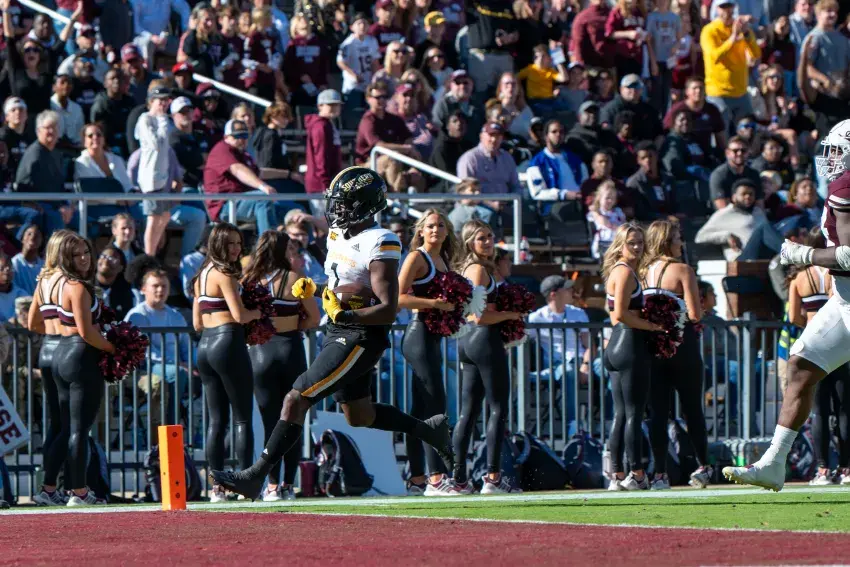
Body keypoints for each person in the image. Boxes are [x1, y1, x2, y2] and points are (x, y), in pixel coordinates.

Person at [210, 167, 455, 500]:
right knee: (359, 415)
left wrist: (344, 313)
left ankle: (256, 476)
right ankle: (429, 430)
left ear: (364, 204)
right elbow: (342, 285)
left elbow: (387, 307)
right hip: (339, 329)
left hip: (359, 335)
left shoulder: (381, 239)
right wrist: (317, 288)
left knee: (296, 398)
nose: (337, 209)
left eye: (345, 202)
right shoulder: (339, 232)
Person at [724, 119, 850, 491]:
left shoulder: (845, 186)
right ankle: (774, 463)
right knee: (800, 365)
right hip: (843, 300)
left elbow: (849, 256)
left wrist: (803, 254)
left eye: (837, 150)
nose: (830, 158)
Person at [243, 230, 320, 502]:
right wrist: (293, 325)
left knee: (269, 422)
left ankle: (272, 485)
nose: (293, 253)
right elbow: (314, 318)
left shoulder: (250, 280)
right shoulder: (296, 279)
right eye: (289, 248)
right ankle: (288, 484)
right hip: (290, 349)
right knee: (293, 419)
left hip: (260, 352)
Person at [449, 219, 523, 494]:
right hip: (483, 339)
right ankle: (493, 477)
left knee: (468, 411)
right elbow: (478, 316)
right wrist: (512, 314)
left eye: (490, 237)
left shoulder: (468, 268)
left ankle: (459, 479)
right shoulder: (478, 270)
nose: (489, 242)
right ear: (470, 242)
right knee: (497, 408)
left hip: (468, 341)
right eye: (482, 238)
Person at [192, 223, 260, 503]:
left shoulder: (200, 275)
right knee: (242, 417)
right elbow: (240, 315)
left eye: (239, 243)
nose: (236, 248)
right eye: (230, 243)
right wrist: (259, 313)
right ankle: (244, 484)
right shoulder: (225, 274)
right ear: (217, 244)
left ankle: (216, 488)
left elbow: (196, 323)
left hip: (205, 345)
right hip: (227, 341)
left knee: (216, 420)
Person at [641, 220, 711, 490]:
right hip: (683, 345)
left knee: (658, 412)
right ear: (667, 241)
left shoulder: (642, 272)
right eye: (678, 238)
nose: (681, 243)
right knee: (692, 409)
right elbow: (694, 314)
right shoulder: (683, 270)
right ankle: (703, 467)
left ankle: (660, 474)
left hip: (654, 348)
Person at [49, 233, 115, 506]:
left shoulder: (59, 283)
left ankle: (58, 488)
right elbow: (87, 332)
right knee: (79, 429)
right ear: (66, 258)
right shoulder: (77, 287)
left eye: (86, 252)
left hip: (62, 353)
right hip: (80, 355)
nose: (85, 258)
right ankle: (78, 491)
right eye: (77, 255)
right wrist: (114, 348)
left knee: (69, 428)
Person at [398, 210, 460, 496]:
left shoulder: (443, 260)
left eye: (440, 225)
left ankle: (417, 478)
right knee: (436, 405)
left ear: (447, 231)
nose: (436, 229)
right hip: (418, 334)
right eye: (430, 226)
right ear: (421, 231)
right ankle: (436, 478)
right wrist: (434, 304)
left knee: (420, 411)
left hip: (432, 337)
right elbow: (398, 297)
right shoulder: (416, 257)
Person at [782, 230, 849, 485]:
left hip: (815, 348)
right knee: (844, 408)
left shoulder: (800, 278)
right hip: (839, 343)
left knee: (819, 410)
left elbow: (793, 317)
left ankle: (822, 470)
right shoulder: (833, 272)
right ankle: (846, 468)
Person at [604, 223, 661, 491]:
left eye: (640, 242)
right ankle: (636, 473)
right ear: (620, 245)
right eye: (631, 243)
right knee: (633, 414)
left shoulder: (617, 271)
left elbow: (613, 314)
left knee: (621, 413)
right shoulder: (625, 272)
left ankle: (617, 474)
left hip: (616, 344)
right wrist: (652, 326)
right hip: (629, 344)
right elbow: (620, 314)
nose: (637, 247)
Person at [27, 229, 73, 506]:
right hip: (65, 349)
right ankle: (50, 486)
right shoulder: (68, 281)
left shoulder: (43, 280)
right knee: (69, 425)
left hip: (46, 351)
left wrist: (51, 330)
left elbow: (32, 322)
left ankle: (48, 486)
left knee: (56, 424)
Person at [125, 269, 193, 432]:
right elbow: (145, 352)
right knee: (177, 373)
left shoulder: (176, 316)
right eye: (155, 286)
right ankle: (171, 428)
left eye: (164, 286)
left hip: (177, 366)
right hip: (147, 367)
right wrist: (178, 364)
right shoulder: (137, 315)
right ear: (143, 289)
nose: (160, 290)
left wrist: (194, 363)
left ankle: (201, 433)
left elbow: (187, 346)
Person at [203, 119, 290, 236]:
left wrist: (289, 174)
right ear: (226, 137)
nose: (242, 140)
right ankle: (267, 245)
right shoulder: (222, 149)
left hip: (245, 200)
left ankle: (304, 246)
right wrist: (263, 186)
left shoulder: (243, 154)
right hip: (226, 205)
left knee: (295, 210)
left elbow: (258, 173)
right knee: (263, 199)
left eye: (245, 136)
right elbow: (237, 169)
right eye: (237, 136)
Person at [528, 275, 591, 427]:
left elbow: (589, 345)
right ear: (553, 294)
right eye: (567, 289)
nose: (571, 291)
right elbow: (522, 340)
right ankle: (573, 424)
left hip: (581, 361)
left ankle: (610, 422)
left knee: (608, 369)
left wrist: (586, 365)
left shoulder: (578, 313)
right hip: (556, 365)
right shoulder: (536, 318)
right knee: (568, 371)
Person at [700, 0, 762, 130]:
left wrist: (747, 34)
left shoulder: (741, 27)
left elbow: (756, 54)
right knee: (721, 134)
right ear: (716, 9)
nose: (727, 11)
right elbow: (714, 56)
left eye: (729, 6)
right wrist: (733, 38)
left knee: (747, 132)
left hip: (740, 92)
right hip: (719, 93)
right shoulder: (709, 30)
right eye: (723, 7)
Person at [354, 82, 424, 193]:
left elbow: (408, 139)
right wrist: (406, 149)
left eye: (384, 97)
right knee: (391, 159)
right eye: (378, 97)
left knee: (416, 154)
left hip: (394, 162)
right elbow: (379, 146)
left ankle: (415, 193)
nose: (382, 100)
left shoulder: (393, 119)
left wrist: (413, 163)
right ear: (368, 99)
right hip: (368, 164)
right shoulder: (367, 120)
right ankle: (397, 194)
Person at [74, 123, 144, 228]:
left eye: (98, 135)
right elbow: (90, 192)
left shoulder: (117, 159)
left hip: (124, 205)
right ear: (84, 141)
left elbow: (127, 185)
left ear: (103, 139)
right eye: (90, 136)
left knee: (142, 215)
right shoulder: (81, 163)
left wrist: (129, 197)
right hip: (96, 208)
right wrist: (116, 200)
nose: (95, 137)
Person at [14, 110, 71, 237]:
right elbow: (35, 187)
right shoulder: (35, 154)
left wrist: (66, 205)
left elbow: (59, 186)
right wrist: (60, 206)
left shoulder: (56, 154)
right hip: (37, 202)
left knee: (81, 216)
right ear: (38, 131)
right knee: (56, 218)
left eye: (54, 127)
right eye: (47, 128)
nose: (51, 131)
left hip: (55, 202)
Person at [696, 179, 768, 260]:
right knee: (765, 228)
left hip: (763, 254)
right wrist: (726, 236)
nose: (748, 197)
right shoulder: (724, 214)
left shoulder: (758, 212)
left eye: (751, 194)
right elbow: (700, 237)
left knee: (772, 227)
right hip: (742, 256)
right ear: (734, 197)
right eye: (743, 194)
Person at [663, 77, 727, 162]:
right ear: (687, 92)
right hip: (682, 153)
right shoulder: (677, 110)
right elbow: (665, 133)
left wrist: (723, 158)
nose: (698, 91)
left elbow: (720, 137)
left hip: (705, 154)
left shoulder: (712, 110)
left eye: (701, 88)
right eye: (694, 88)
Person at [525, 119, 587, 205]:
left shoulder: (575, 159)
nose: (558, 135)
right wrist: (563, 194)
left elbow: (585, 182)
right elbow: (537, 193)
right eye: (554, 132)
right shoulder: (537, 163)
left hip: (579, 204)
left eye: (561, 132)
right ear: (546, 136)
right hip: (555, 207)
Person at [337, 13, 381, 130]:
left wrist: (375, 78)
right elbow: (340, 62)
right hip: (353, 85)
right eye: (359, 23)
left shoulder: (372, 41)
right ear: (352, 27)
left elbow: (375, 61)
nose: (362, 26)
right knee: (354, 113)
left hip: (368, 83)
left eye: (365, 23)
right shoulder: (348, 43)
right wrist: (353, 75)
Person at [465, 0, 518, 97]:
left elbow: (516, 30)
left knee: (506, 95)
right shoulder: (474, 3)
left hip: (504, 56)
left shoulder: (507, 5)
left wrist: (509, 37)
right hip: (481, 55)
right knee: (481, 95)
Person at [305, 89, 343, 216]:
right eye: (330, 104)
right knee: (326, 222)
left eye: (337, 104)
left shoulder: (328, 124)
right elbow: (321, 157)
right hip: (320, 185)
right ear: (320, 106)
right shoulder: (321, 126)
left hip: (327, 183)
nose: (335, 108)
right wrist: (325, 185)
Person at [599, 75, 664, 145]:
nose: (633, 90)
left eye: (637, 86)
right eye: (629, 86)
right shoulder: (610, 108)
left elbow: (660, 133)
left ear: (642, 89)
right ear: (621, 89)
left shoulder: (649, 110)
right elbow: (605, 130)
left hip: (645, 148)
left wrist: (655, 147)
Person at [283, 14, 330, 108]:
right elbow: (288, 67)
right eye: (300, 21)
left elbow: (323, 64)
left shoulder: (317, 43)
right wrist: (300, 76)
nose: (303, 22)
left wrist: (323, 83)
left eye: (305, 20)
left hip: (317, 86)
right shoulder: (293, 45)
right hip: (298, 87)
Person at [90, 68, 136, 158]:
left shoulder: (130, 101)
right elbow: (96, 129)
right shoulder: (100, 104)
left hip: (128, 143)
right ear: (105, 83)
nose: (116, 81)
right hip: (108, 147)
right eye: (112, 78)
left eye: (120, 78)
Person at [431, 69, 483, 146]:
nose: (462, 86)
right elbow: (436, 128)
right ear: (451, 86)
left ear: (472, 85)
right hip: (450, 147)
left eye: (466, 82)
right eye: (458, 83)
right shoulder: (443, 104)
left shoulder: (478, 105)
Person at [627, 142, 676, 221]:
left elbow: (676, 203)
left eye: (650, 156)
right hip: (649, 224)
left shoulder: (668, 178)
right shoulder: (634, 183)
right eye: (643, 158)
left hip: (672, 220)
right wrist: (665, 218)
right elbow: (640, 213)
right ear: (638, 160)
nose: (648, 160)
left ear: (657, 156)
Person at [709, 136, 762, 209]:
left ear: (748, 153)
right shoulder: (719, 175)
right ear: (727, 153)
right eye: (735, 151)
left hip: (751, 214)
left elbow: (760, 205)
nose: (739, 153)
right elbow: (722, 208)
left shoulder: (754, 174)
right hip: (728, 214)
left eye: (743, 151)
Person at [517, 44, 569, 116]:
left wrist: (558, 62)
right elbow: (516, 78)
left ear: (549, 58)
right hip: (535, 101)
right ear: (534, 58)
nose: (540, 59)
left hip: (549, 100)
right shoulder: (530, 69)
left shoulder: (550, 71)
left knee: (566, 108)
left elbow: (564, 78)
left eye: (543, 56)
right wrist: (521, 91)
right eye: (537, 56)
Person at [430, 111, 472, 191]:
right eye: (455, 121)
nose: (459, 124)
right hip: (442, 188)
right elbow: (446, 174)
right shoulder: (441, 148)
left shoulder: (469, 146)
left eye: (462, 122)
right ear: (447, 126)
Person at [569, 0, 614, 70]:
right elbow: (578, 43)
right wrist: (581, 68)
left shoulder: (611, 14)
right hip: (592, 67)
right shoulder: (583, 17)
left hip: (612, 64)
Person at [587, 181, 626, 259]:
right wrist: (618, 228)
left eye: (613, 198)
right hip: (603, 244)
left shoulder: (618, 211)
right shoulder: (597, 212)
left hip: (618, 242)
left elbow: (624, 224)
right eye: (607, 198)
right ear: (599, 198)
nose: (610, 201)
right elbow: (605, 223)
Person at [94, 245, 134, 320]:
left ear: (121, 268)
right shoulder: (85, 286)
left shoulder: (124, 293)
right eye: (103, 256)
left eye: (112, 258)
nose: (106, 260)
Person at [50, 74, 84, 149]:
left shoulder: (77, 108)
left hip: (73, 148)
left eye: (69, 83)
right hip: (53, 147)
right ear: (54, 87)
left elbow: (80, 132)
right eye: (62, 82)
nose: (66, 85)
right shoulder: (48, 106)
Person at [11, 224, 42, 295]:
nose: (32, 237)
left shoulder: (44, 266)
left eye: (37, 235)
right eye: (29, 234)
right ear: (22, 238)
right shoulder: (14, 263)